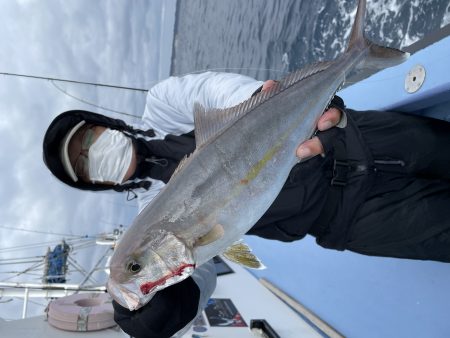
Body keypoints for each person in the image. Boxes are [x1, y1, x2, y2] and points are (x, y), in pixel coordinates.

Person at [43, 71, 450, 337]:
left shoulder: (165, 105)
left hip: (353, 136)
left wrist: (259, 101)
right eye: (83, 164)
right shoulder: (148, 219)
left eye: (89, 139)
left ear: (104, 124)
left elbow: (217, 93)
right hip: (349, 218)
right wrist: (172, 306)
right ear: (94, 182)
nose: (93, 153)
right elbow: (197, 273)